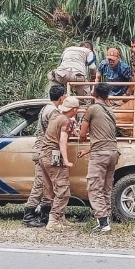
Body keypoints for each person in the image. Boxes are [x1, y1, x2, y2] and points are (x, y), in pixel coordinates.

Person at [78, 83, 121, 234]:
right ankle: (106, 219)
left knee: (94, 187)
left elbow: (83, 134)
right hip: (113, 152)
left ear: (93, 93)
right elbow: (104, 136)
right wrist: (88, 149)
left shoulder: (92, 109)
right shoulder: (110, 111)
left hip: (100, 154)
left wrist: (81, 138)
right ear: (107, 96)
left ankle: (103, 223)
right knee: (106, 187)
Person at [22, 85, 66, 227]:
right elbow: (55, 130)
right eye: (64, 96)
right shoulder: (53, 112)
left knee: (47, 184)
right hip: (44, 150)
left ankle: (45, 215)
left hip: (40, 149)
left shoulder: (45, 108)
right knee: (40, 184)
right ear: (61, 98)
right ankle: (28, 216)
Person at [40, 96, 80, 230]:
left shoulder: (57, 117)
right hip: (54, 156)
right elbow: (63, 141)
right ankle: (53, 220)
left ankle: (60, 218)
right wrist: (67, 161)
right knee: (63, 190)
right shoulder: (66, 121)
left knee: (52, 190)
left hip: (44, 156)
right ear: (74, 110)